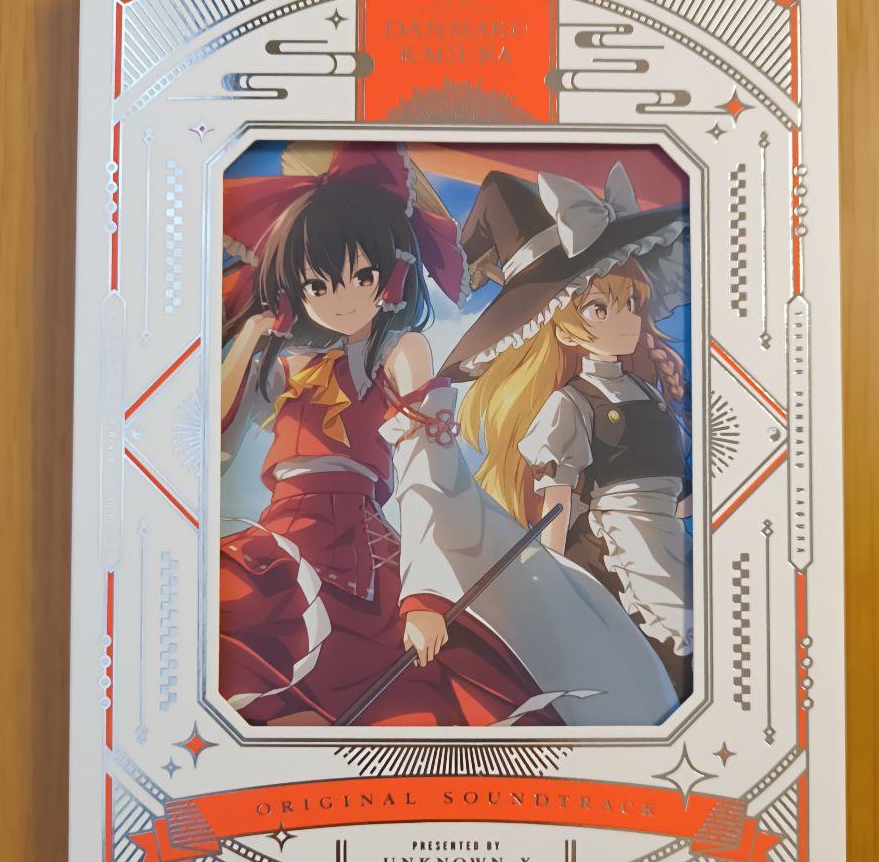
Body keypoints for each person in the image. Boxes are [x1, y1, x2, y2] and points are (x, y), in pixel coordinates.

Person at [219, 143, 680, 726]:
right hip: (276, 545)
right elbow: (213, 444)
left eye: (362, 275)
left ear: (389, 274)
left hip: (359, 558)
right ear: (297, 289)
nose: (344, 297)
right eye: (319, 284)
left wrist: (425, 596)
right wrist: (251, 336)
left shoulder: (400, 354)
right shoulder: (289, 365)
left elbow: (428, 472)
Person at [445, 163, 695, 700]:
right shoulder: (568, 405)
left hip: (672, 546)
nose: (625, 320)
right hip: (612, 553)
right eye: (600, 308)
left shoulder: (650, 396)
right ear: (560, 322)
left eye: (632, 303)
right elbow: (556, 503)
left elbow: (680, 493)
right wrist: (557, 587)